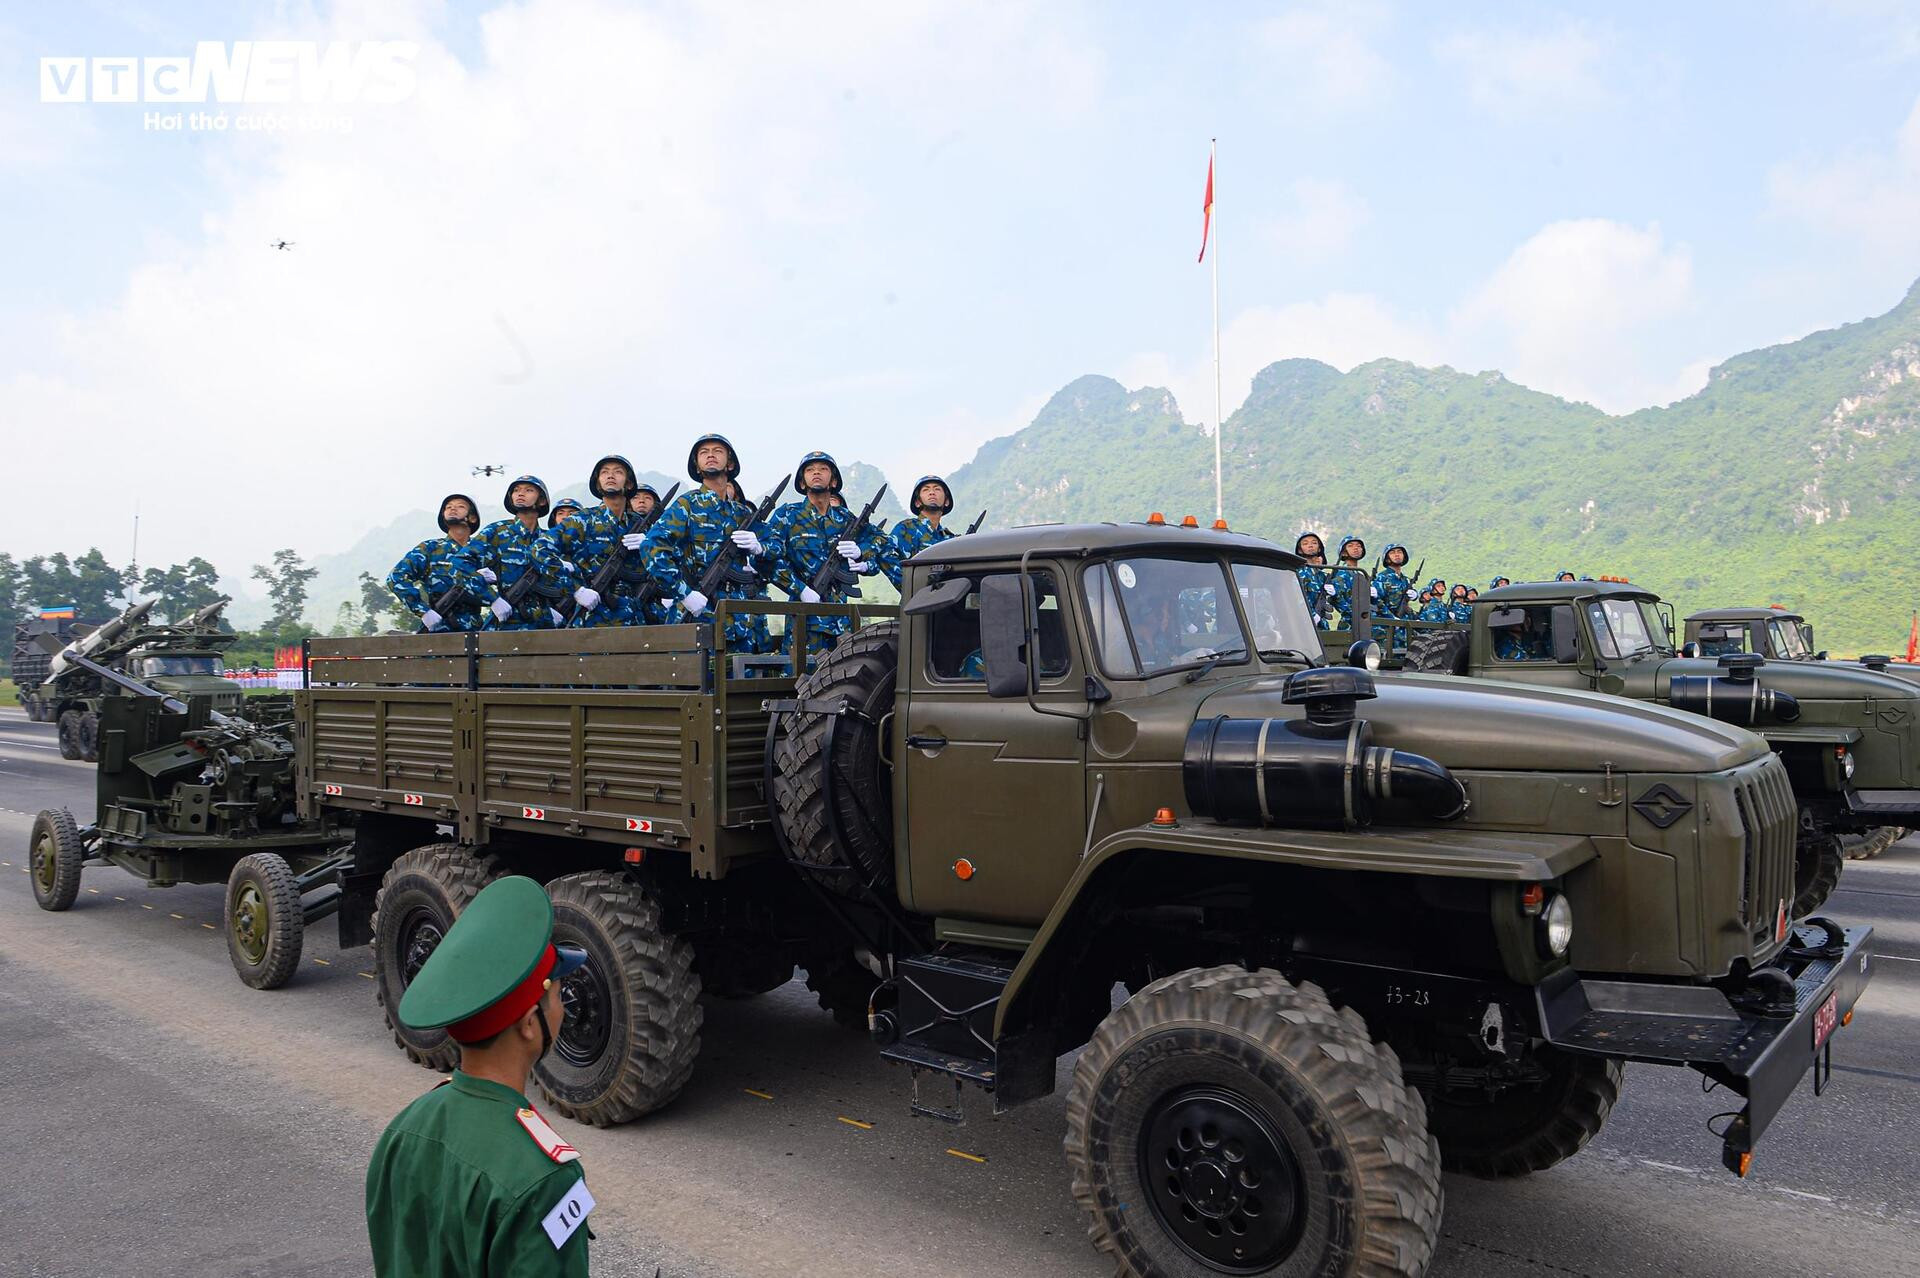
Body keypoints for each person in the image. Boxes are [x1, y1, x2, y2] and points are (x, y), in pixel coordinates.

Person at [366, 875, 594, 1277]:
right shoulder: (545, 1180)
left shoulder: (404, 1130)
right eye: (557, 994)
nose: (562, 1010)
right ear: (529, 1024)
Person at [641, 434, 775, 655]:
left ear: (730, 463)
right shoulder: (688, 504)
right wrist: (683, 592)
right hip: (697, 616)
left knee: (738, 686)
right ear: (697, 464)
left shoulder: (742, 514)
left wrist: (760, 548)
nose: (710, 455)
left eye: (717, 451)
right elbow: (652, 547)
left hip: (737, 622)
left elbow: (776, 547)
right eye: (704, 452)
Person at [766, 451, 885, 659]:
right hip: (805, 621)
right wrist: (800, 589)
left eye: (823, 469)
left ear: (834, 480)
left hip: (842, 621)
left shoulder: (845, 518)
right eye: (810, 470)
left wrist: (862, 555)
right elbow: (768, 560)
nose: (817, 473)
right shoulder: (787, 515)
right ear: (802, 482)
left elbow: (883, 541)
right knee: (801, 683)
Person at [540, 455, 654, 628]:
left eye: (618, 472)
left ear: (629, 483)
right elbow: (539, 550)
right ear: (598, 482)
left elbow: (669, 562)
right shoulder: (583, 520)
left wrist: (651, 545)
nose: (610, 475)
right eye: (604, 472)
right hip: (593, 620)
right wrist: (576, 590)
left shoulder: (640, 525)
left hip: (635, 619)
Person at [387, 493, 496, 633]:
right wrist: (423, 611)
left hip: (475, 631)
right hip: (438, 630)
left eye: (460, 506)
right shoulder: (430, 549)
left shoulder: (482, 551)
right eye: (448, 507)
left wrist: (491, 581)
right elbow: (396, 577)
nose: (452, 509)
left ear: (473, 517)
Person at [471, 476, 571, 629]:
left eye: (528, 490)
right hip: (507, 623)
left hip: (544, 625)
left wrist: (557, 607)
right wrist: (492, 599)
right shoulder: (497, 532)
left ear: (542, 501)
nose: (520, 493)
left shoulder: (548, 539)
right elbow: (460, 564)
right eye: (516, 490)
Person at [880, 476, 959, 590]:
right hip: (916, 602)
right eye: (926, 489)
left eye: (937, 489)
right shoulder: (906, 528)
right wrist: (911, 586)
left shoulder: (949, 538)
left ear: (946, 501)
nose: (932, 492)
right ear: (917, 502)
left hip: (946, 600)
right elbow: (885, 555)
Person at [1373, 542, 1415, 648]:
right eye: (1392, 552)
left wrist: (1415, 595)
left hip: (1403, 627)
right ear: (1387, 559)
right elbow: (1376, 601)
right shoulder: (1382, 577)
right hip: (1387, 626)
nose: (1397, 554)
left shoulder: (1404, 579)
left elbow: (1407, 599)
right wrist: (1391, 617)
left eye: (1399, 552)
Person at [1293, 532, 1333, 627]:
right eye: (1305, 543)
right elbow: (1297, 598)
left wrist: (1334, 591)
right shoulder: (1299, 572)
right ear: (1300, 550)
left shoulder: (1321, 575)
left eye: (1314, 543)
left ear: (1319, 548)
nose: (1310, 546)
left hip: (1321, 623)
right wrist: (1312, 615)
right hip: (1305, 622)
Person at [1330, 535, 1368, 632]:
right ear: (1343, 552)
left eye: (1359, 546)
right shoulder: (1342, 573)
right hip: (1349, 625)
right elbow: (1337, 600)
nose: (1356, 548)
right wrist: (1355, 614)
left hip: (1363, 623)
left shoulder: (1361, 574)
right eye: (1350, 546)